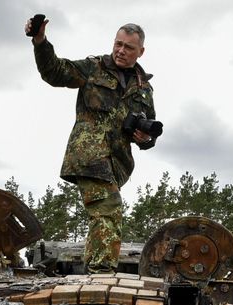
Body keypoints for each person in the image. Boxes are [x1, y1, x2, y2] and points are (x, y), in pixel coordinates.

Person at [27, 16, 157, 274]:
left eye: (128, 47)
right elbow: (54, 71)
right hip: (89, 156)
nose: (121, 50)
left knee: (103, 214)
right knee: (108, 210)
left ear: (140, 51)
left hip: (117, 164)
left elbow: (148, 127)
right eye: (118, 44)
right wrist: (40, 40)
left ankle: (96, 267)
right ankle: (100, 273)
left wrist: (145, 138)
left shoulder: (144, 88)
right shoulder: (93, 68)